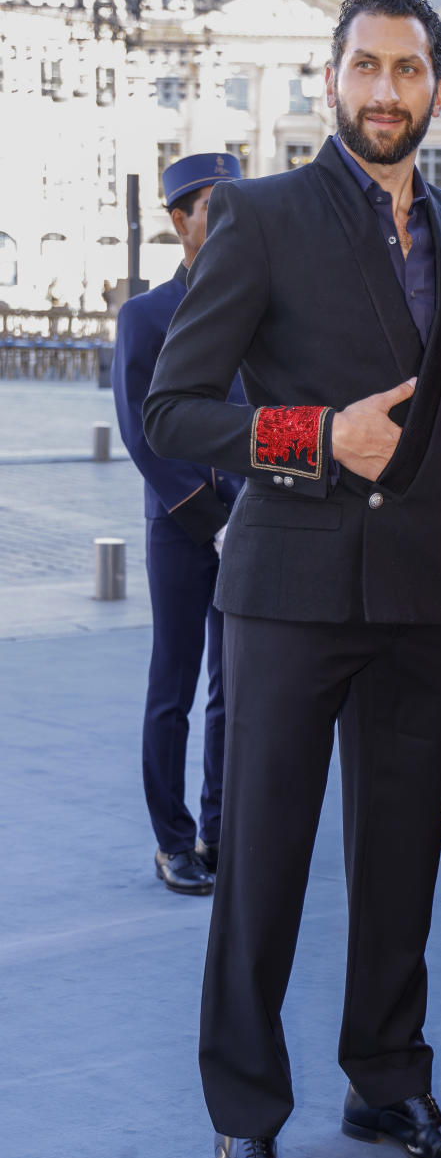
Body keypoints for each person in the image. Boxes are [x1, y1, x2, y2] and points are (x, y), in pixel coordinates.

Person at [143, 0, 441, 1158]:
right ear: (331, 80)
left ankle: (385, 1081)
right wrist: (308, 438)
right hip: (287, 594)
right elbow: (173, 408)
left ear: (436, 85)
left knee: (401, 858)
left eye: (408, 69)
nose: (386, 90)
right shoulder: (261, 214)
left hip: (423, 598)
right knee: (264, 869)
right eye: (366, 68)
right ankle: (245, 1119)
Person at [112, 151, 244, 894]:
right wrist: (208, 519)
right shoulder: (146, 315)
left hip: (249, 522)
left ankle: (221, 833)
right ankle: (173, 841)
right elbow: (143, 434)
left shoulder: (254, 308)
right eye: (211, 208)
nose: (225, 221)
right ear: (179, 221)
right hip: (183, 526)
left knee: (236, 689)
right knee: (174, 685)